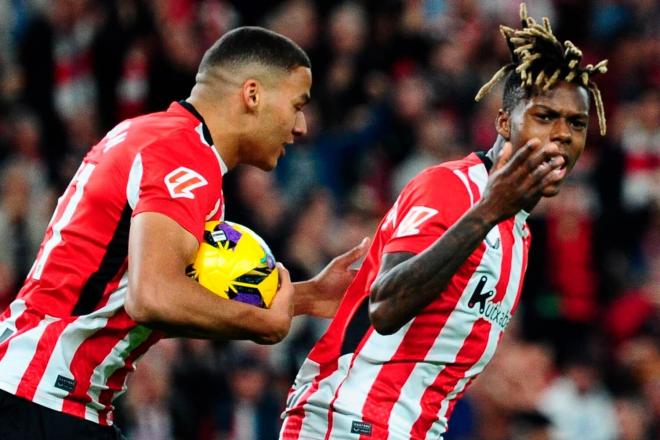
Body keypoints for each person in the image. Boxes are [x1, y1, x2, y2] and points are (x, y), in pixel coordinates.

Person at [0, 27, 369, 440]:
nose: (301, 125)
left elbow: (129, 298)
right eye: (297, 104)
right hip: (38, 402)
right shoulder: (183, 157)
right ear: (252, 94)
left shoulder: (159, 136)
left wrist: (304, 297)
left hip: (44, 397)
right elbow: (153, 296)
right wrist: (259, 323)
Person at [280, 4, 608, 439]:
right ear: (503, 122)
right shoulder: (452, 188)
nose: (562, 134)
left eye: (576, 123)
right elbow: (386, 306)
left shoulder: (519, 235)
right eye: (544, 116)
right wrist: (488, 211)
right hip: (348, 421)